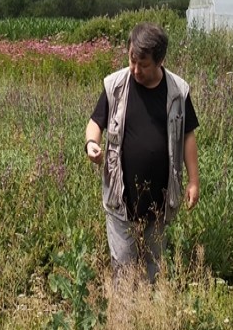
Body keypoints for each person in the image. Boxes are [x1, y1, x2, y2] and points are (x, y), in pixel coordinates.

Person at [85, 22, 200, 284]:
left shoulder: (178, 92)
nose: (136, 69)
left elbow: (187, 136)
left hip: (160, 199)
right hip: (120, 195)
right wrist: (91, 143)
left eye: (143, 64)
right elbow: (95, 122)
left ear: (160, 60)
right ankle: (123, 319)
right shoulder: (115, 85)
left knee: (154, 265)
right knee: (123, 266)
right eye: (132, 60)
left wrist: (194, 181)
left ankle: (149, 315)